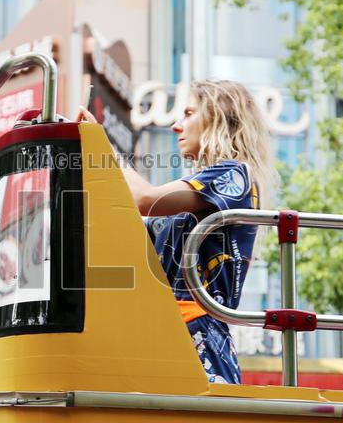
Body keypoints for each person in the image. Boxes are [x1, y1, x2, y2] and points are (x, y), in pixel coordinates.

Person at [76, 80, 277, 384]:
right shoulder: (198, 192)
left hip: (197, 339)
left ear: (218, 118)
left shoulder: (234, 173)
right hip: (169, 336)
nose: (175, 126)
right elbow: (134, 222)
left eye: (187, 113)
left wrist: (103, 147)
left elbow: (145, 200)